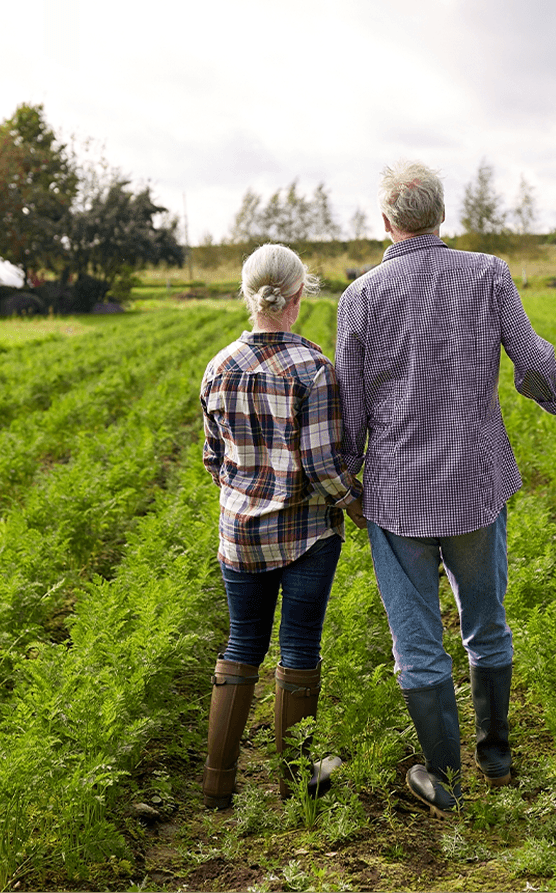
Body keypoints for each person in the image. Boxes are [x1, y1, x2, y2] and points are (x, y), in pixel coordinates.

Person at [336, 161, 556, 816]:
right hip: (475, 481)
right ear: (441, 215)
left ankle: (444, 778)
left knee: (417, 643)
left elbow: (348, 405)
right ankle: (498, 759)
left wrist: (346, 482)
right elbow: (532, 359)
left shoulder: (360, 297)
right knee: (487, 622)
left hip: (397, 492)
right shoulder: (487, 274)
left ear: (386, 222)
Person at [199, 243, 364, 809]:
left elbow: (213, 458)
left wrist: (245, 491)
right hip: (306, 536)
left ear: (248, 295)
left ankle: (218, 782)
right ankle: (296, 785)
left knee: (242, 642)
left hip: (238, 534)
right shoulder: (314, 368)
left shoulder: (219, 365)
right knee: (298, 648)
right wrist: (353, 503)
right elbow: (321, 466)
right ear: (300, 296)